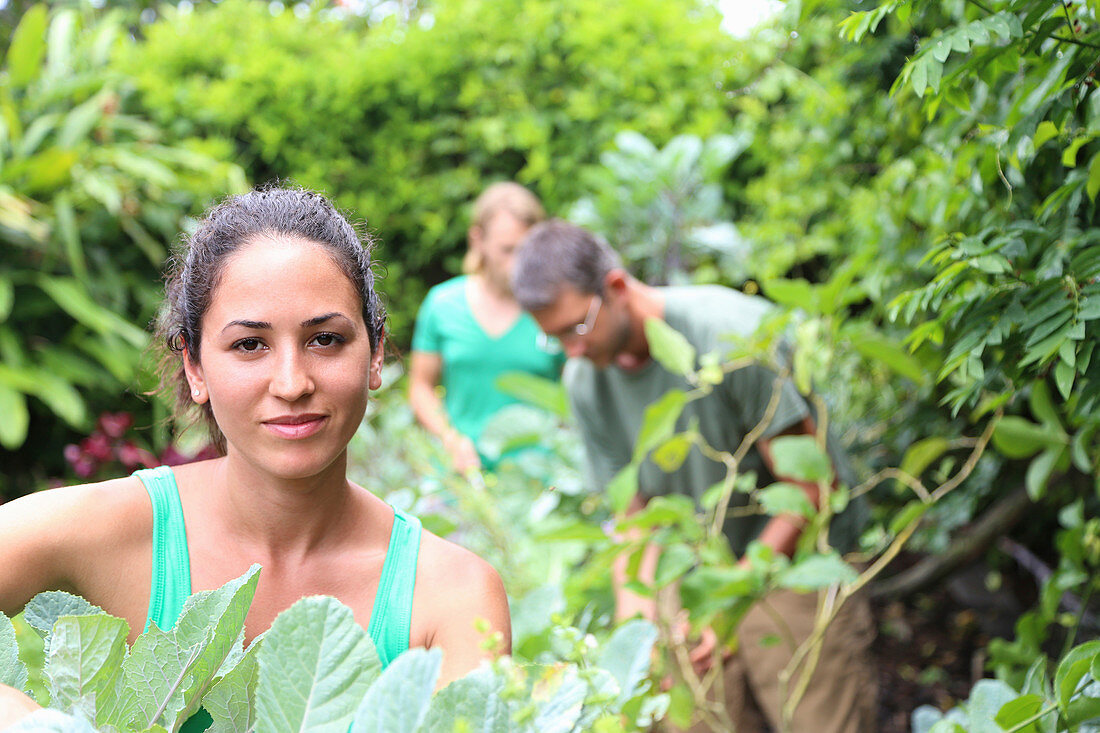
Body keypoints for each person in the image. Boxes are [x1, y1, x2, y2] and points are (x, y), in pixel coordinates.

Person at [0, 187, 510, 728]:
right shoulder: (110, 530)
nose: (292, 383)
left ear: (376, 353)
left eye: (326, 339)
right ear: (195, 366)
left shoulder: (452, 597)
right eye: (250, 345)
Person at [511, 219, 876, 733]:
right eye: (554, 339)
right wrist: (638, 635)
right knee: (684, 712)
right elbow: (634, 519)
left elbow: (813, 486)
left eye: (576, 328)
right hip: (695, 560)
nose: (571, 350)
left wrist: (727, 602)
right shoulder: (585, 381)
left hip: (795, 555)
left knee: (811, 715)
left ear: (616, 288)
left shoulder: (729, 339)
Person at [409, 183, 564, 473]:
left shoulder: (555, 310)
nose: (519, 264)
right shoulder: (443, 305)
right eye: (507, 250)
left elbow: (578, 394)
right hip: (462, 480)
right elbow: (421, 387)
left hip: (540, 486)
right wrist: (450, 439)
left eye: (527, 250)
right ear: (478, 239)